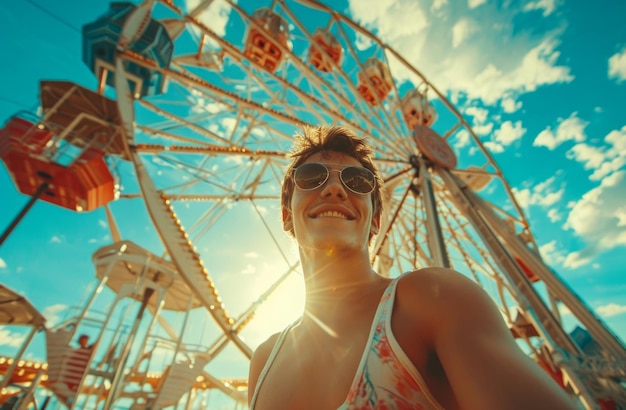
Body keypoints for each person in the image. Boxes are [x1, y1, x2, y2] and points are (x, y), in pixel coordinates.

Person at [248, 126, 576, 409]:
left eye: (358, 182)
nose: (335, 189)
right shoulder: (264, 361)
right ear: (286, 215)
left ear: (376, 219)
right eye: (311, 177)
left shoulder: (432, 300)